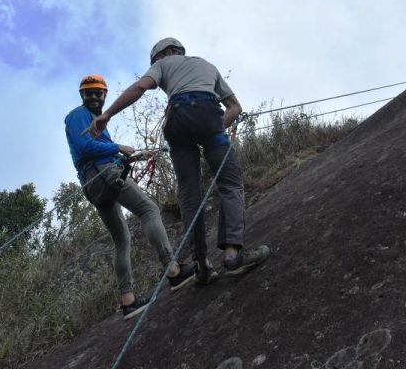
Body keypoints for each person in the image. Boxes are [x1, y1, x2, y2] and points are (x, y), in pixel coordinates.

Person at [88, 38, 270, 287]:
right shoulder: (207, 65)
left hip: (177, 119)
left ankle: (201, 265)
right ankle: (232, 255)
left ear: (165, 54)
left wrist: (107, 114)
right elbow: (235, 107)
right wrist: (214, 130)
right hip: (208, 114)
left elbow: (140, 87)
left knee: (189, 193)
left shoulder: (163, 64)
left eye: (155, 60)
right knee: (230, 184)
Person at [65, 74, 195, 320]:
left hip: (95, 182)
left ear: (104, 95)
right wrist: (118, 147)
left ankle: (128, 301)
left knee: (121, 239)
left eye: (98, 93)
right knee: (149, 210)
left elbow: (98, 150)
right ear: (82, 95)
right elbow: (85, 148)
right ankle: (173, 270)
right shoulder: (78, 115)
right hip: (101, 174)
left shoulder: (96, 122)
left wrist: (131, 157)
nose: (94, 97)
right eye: (89, 93)